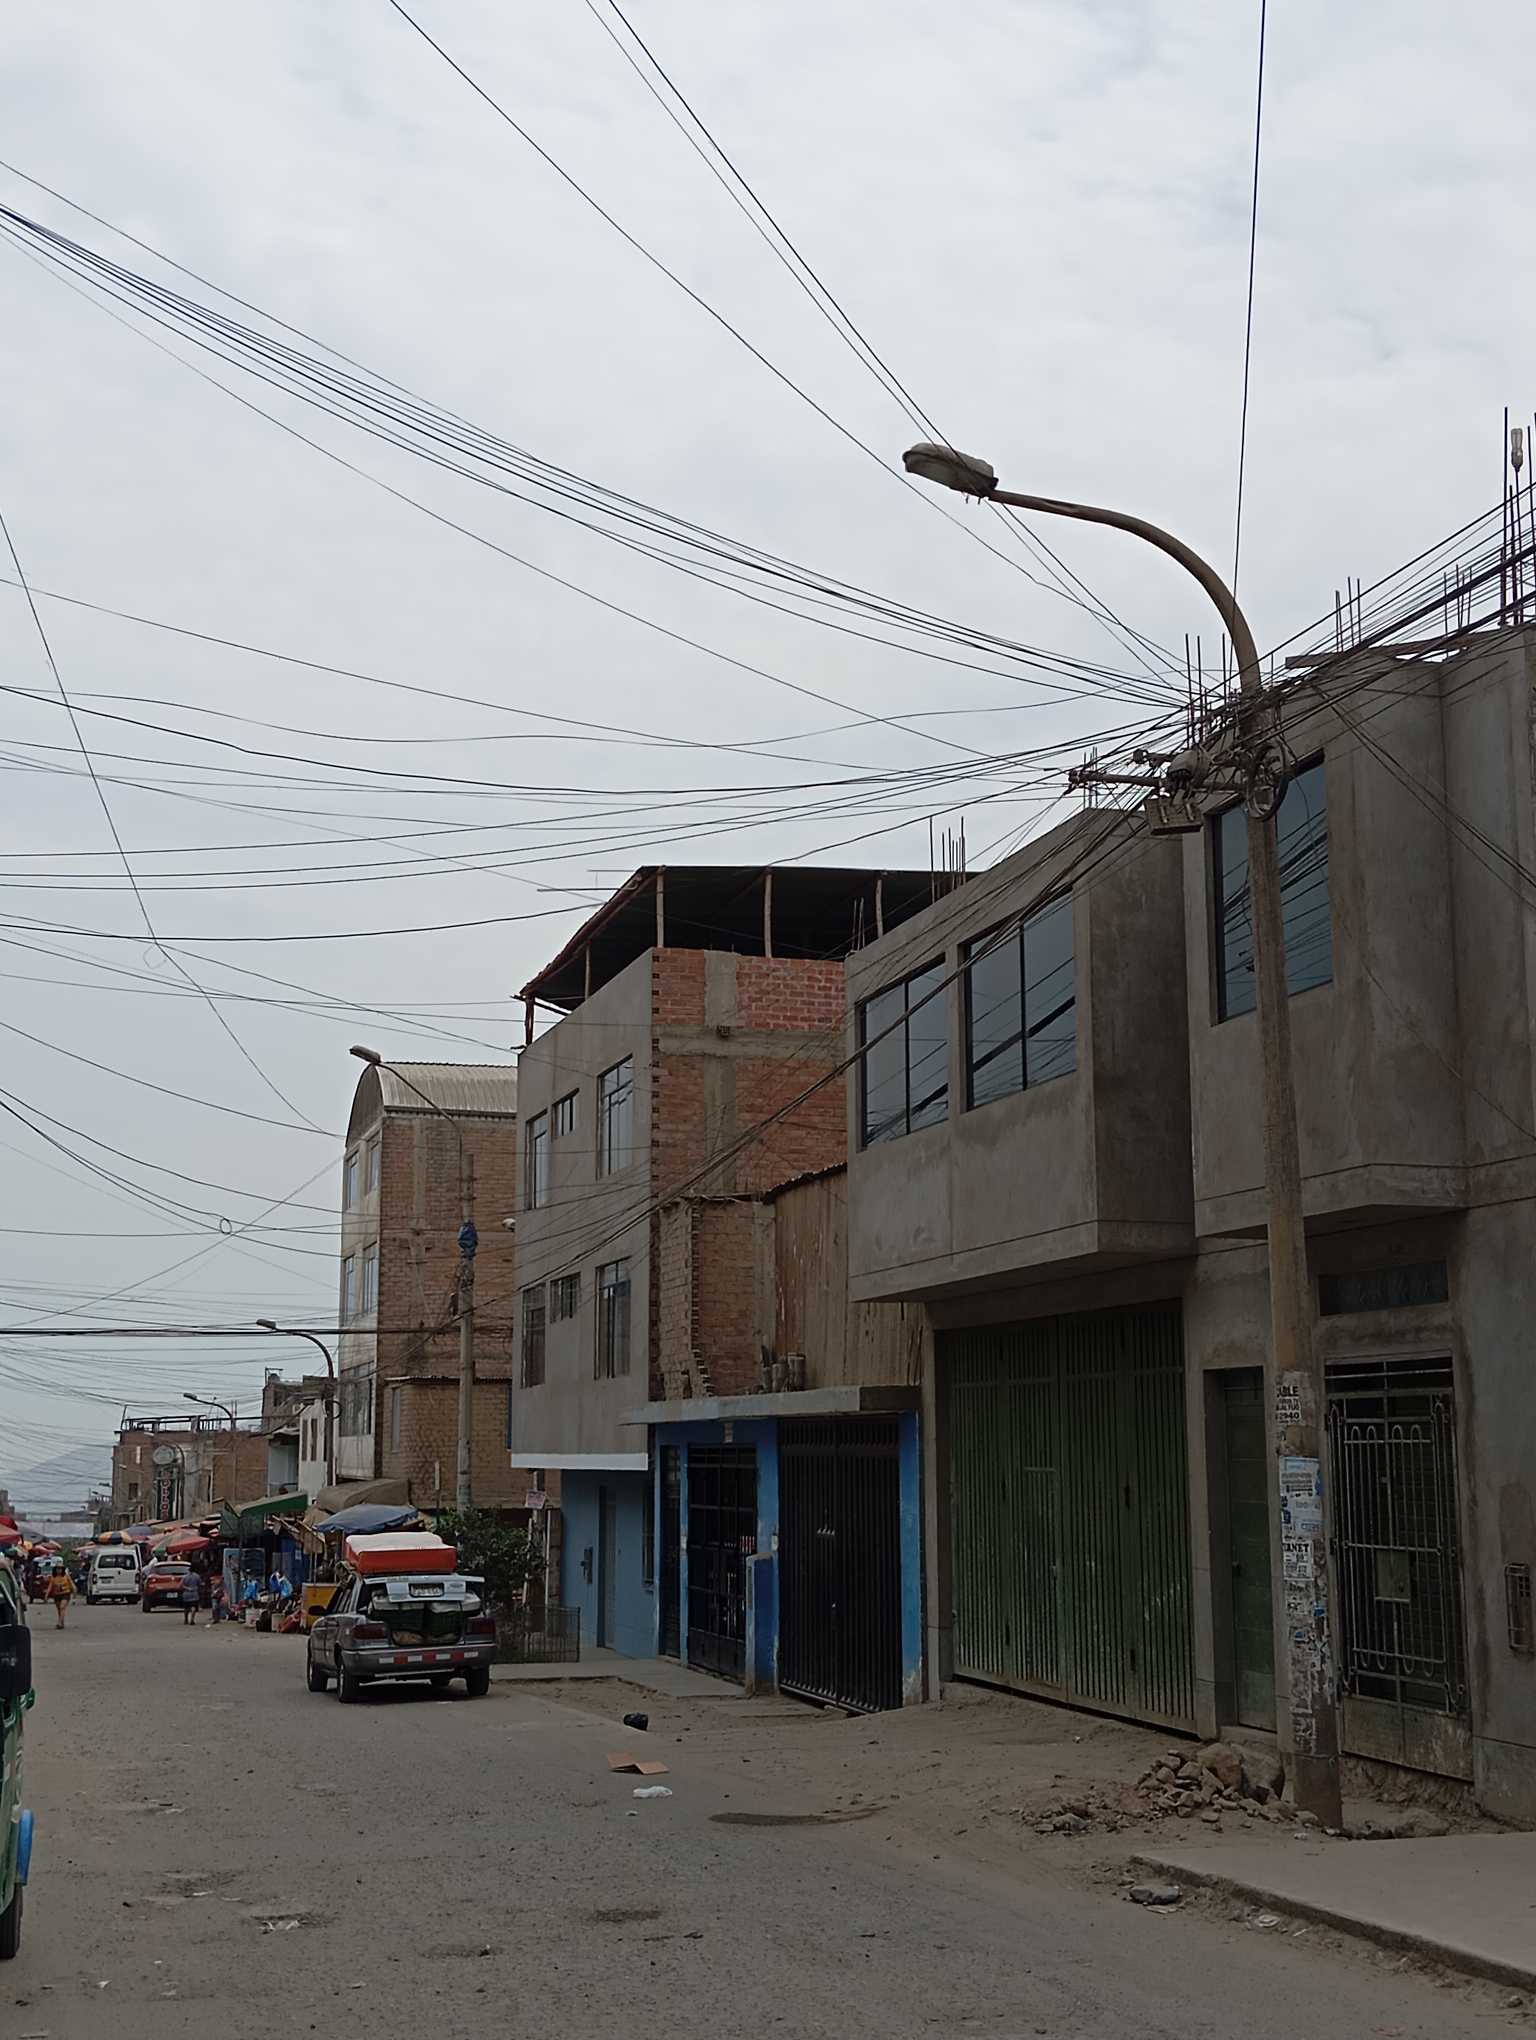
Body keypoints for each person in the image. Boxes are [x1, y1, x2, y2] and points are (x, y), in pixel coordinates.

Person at [45, 1560, 74, 1629]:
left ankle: (59, 1622)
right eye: (58, 1568)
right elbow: (50, 1586)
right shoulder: (53, 1577)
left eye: (60, 1568)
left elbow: (72, 1584)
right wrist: (46, 1595)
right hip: (57, 1595)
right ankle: (62, 1622)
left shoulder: (66, 1576)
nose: (59, 1570)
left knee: (62, 1607)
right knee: (59, 1609)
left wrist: (74, 1592)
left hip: (65, 1594)